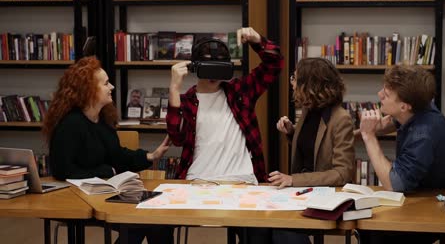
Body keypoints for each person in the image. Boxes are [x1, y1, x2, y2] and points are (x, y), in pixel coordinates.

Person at [167, 27, 283, 243]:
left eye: (219, 66)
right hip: (198, 182)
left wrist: (257, 41)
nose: (213, 75)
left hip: (243, 181)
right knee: (159, 223)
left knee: (260, 233)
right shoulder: (187, 101)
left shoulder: (240, 92)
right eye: (208, 65)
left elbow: (274, 65)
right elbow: (177, 137)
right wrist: (174, 89)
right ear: (196, 66)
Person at [42, 56, 173, 243]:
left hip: (105, 194)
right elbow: (63, 170)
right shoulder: (70, 125)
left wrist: (151, 155)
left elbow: (118, 155)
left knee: (159, 220)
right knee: (141, 222)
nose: (111, 87)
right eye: (106, 83)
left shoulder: (103, 119)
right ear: (89, 90)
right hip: (79, 199)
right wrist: (104, 172)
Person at [358, 65, 445, 243]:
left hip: (444, 201)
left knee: (377, 230)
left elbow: (394, 185)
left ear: (404, 106)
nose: (379, 95)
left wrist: (369, 136)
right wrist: (391, 123)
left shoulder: (423, 134)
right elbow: (404, 118)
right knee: (368, 226)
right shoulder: (421, 107)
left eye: (386, 94)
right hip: (425, 193)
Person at [268, 57, 355, 244]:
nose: (291, 82)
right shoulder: (309, 110)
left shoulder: (341, 119)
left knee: (282, 231)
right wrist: (292, 133)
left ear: (310, 85)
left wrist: (293, 180)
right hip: (303, 193)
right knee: (258, 225)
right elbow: (313, 149)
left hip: (328, 199)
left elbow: (343, 173)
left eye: (295, 78)